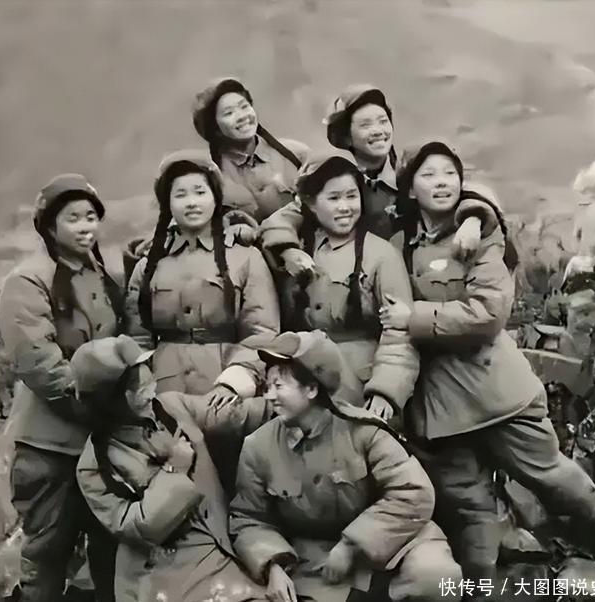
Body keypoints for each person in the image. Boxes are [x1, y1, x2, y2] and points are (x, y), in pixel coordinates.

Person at [380, 141, 595, 595]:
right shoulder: (395, 247)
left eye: (449, 173)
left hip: (497, 390)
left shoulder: (480, 234)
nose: (442, 182)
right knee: (470, 512)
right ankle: (483, 589)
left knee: (556, 479)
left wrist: (416, 318)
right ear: (409, 189)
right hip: (438, 407)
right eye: (429, 174)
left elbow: (488, 314)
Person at [230, 330, 461, 602]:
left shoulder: (364, 432)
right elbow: (248, 518)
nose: (269, 396)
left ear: (312, 389)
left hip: (395, 543)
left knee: (437, 578)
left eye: (279, 386)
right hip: (316, 560)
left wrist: (352, 544)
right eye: (268, 387)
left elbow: (413, 493)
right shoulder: (258, 447)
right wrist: (273, 566)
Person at [125, 150, 280, 494]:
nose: (192, 202)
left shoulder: (245, 257)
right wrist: (143, 389)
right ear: (167, 203)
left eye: (200, 191)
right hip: (165, 387)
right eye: (180, 194)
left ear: (215, 197)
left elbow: (262, 331)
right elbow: (136, 338)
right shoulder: (149, 264)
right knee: (171, 483)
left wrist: (234, 382)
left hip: (223, 385)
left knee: (232, 479)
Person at [74, 335, 272, 602]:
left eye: (150, 383)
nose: (150, 393)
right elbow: (140, 529)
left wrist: (285, 405)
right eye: (139, 391)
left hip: (220, 543)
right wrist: (175, 470)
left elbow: (229, 415)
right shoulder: (96, 465)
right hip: (165, 574)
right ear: (111, 401)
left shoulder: (170, 407)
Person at [0, 174, 119, 601]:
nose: (86, 227)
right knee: (48, 550)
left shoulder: (101, 276)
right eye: (73, 218)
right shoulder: (28, 280)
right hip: (49, 445)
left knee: (109, 552)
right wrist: (95, 409)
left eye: (91, 217)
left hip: (99, 442)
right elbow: (40, 363)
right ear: (50, 226)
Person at [259, 84, 499, 277]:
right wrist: (288, 250)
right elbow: (281, 220)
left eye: (383, 121)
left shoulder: (408, 174)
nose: (378, 130)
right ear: (346, 136)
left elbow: (466, 190)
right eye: (365, 125)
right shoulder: (333, 180)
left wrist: (473, 219)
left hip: (405, 283)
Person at [275, 150, 419, 419]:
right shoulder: (300, 250)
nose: (344, 207)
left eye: (351, 196)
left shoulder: (382, 255)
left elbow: (400, 334)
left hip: (360, 385)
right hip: (304, 383)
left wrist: (385, 391)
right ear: (311, 203)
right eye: (333, 198)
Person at [192, 77, 310, 223]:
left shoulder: (297, 154)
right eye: (229, 113)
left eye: (244, 106)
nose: (242, 116)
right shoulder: (209, 173)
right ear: (215, 128)